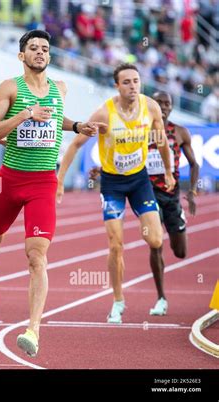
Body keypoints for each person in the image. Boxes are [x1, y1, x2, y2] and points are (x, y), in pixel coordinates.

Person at [0, 30, 102, 358]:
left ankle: (33, 329)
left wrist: (75, 127)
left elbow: (56, 119)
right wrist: (26, 114)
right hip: (10, 181)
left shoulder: (60, 88)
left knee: (36, 256)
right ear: (21, 56)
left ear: (50, 56)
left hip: (43, 182)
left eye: (45, 48)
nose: (40, 52)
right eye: (33, 48)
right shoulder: (11, 88)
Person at [57, 63, 176, 325]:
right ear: (117, 86)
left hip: (139, 181)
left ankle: (150, 294)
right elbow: (75, 144)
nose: (133, 86)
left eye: (136, 81)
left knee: (155, 240)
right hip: (112, 184)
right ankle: (118, 300)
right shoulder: (105, 114)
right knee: (115, 245)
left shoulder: (151, 108)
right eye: (127, 82)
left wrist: (168, 172)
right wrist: (60, 180)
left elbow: (162, 142)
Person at [146, 91, 199, 315]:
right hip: (148, 195)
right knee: (155, 243)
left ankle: (178, 224)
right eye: (159, 102)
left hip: (172, 196)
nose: (164, 106)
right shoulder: (141, 130)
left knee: (180, 252)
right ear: (152, 105)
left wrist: (193, 192)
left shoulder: (179, 132)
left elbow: (194, 165)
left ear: (172, 107)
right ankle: (161, 298)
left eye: (167, 103)